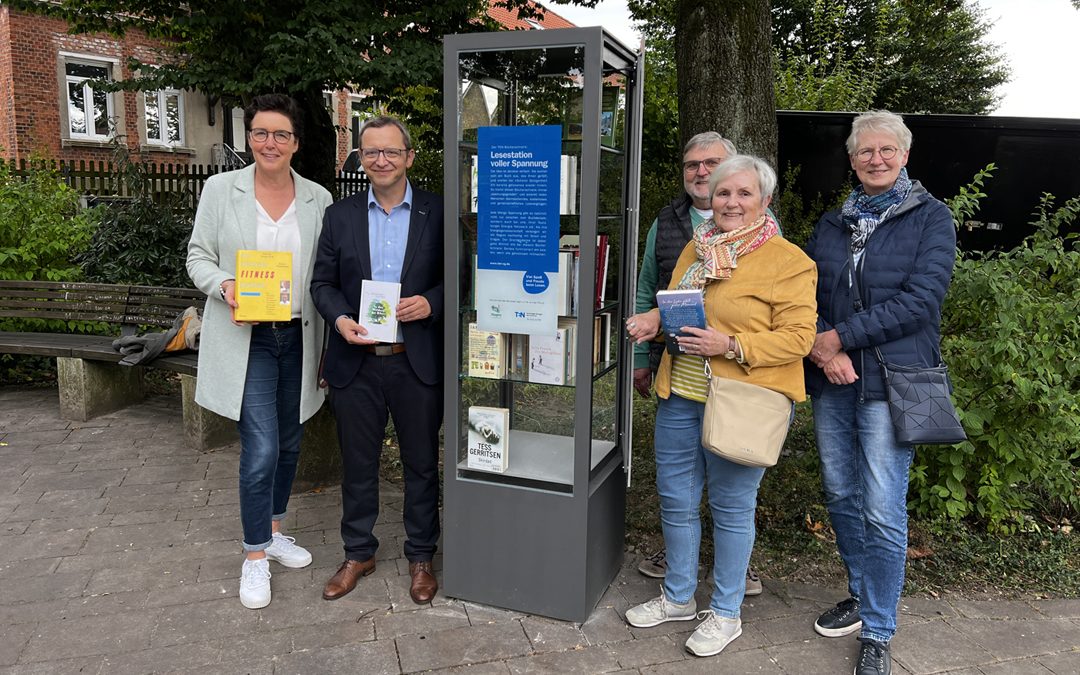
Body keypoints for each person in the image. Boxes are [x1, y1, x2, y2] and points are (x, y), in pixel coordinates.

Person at [623, 155, 817, 657]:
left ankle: (726, 612)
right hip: (681, 394)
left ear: (765, 201)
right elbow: (680, 305)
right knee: (677, 501)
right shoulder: (698, 245)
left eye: (744, 194)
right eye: (723, 192)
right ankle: (678, 598)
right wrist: (652, 319)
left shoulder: (789, 261)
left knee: (731, 510)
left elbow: (798, 339)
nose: (731, 202)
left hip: (742, 402)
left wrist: (730, 345)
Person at [804, 111, 956, 675]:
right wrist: (825, 347)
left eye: (886, 149)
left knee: (883, 508)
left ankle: (880, 630)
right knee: (842, 494)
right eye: (864, 151)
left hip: (894, 381)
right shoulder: (832, 223)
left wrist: (839, 338)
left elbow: (921, 301)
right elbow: (807, 292)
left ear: (904, 155)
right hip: (833, 378)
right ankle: (864, 596)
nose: (875, 159)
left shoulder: (931, 218)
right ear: (851, 160)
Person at [186, 93, 332, 609]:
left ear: (296, 142)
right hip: (247, 334)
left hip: (299, 333)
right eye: (261, 133)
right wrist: (225, 286)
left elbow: (328, 272)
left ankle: (272, 532)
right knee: (263, 447)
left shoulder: (318, 198)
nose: (270, 143)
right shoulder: (220, 189)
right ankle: (253, 557)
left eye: (282, 135)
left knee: (290, 440)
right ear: (249, 138)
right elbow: (198, 256)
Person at [311, 116, 445, 605]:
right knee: (358, 464)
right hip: (357, 361)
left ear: (409, 157)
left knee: (421, 464)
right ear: (361, 159)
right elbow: (321, 284)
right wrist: (341, 318)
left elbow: (462, 278)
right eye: (371, 152)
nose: (381, 160)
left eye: (390, 152)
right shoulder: (339, 215)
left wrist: (432, 302)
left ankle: (421, 556)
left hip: (416, 360)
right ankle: (358, 552)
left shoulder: (437, 211)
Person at [632, 132, 764, 598]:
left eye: (713, 164)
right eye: (692, 165)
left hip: (739, 387)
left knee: (732, 494)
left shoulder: (770, 238)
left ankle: (734, 573)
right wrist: (640, 358)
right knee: (679, 489)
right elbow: (650, 291)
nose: (703, 173)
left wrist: (731, 345)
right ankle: (681, 575)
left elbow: (785, 326)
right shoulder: (672, 228)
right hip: (680, 377)